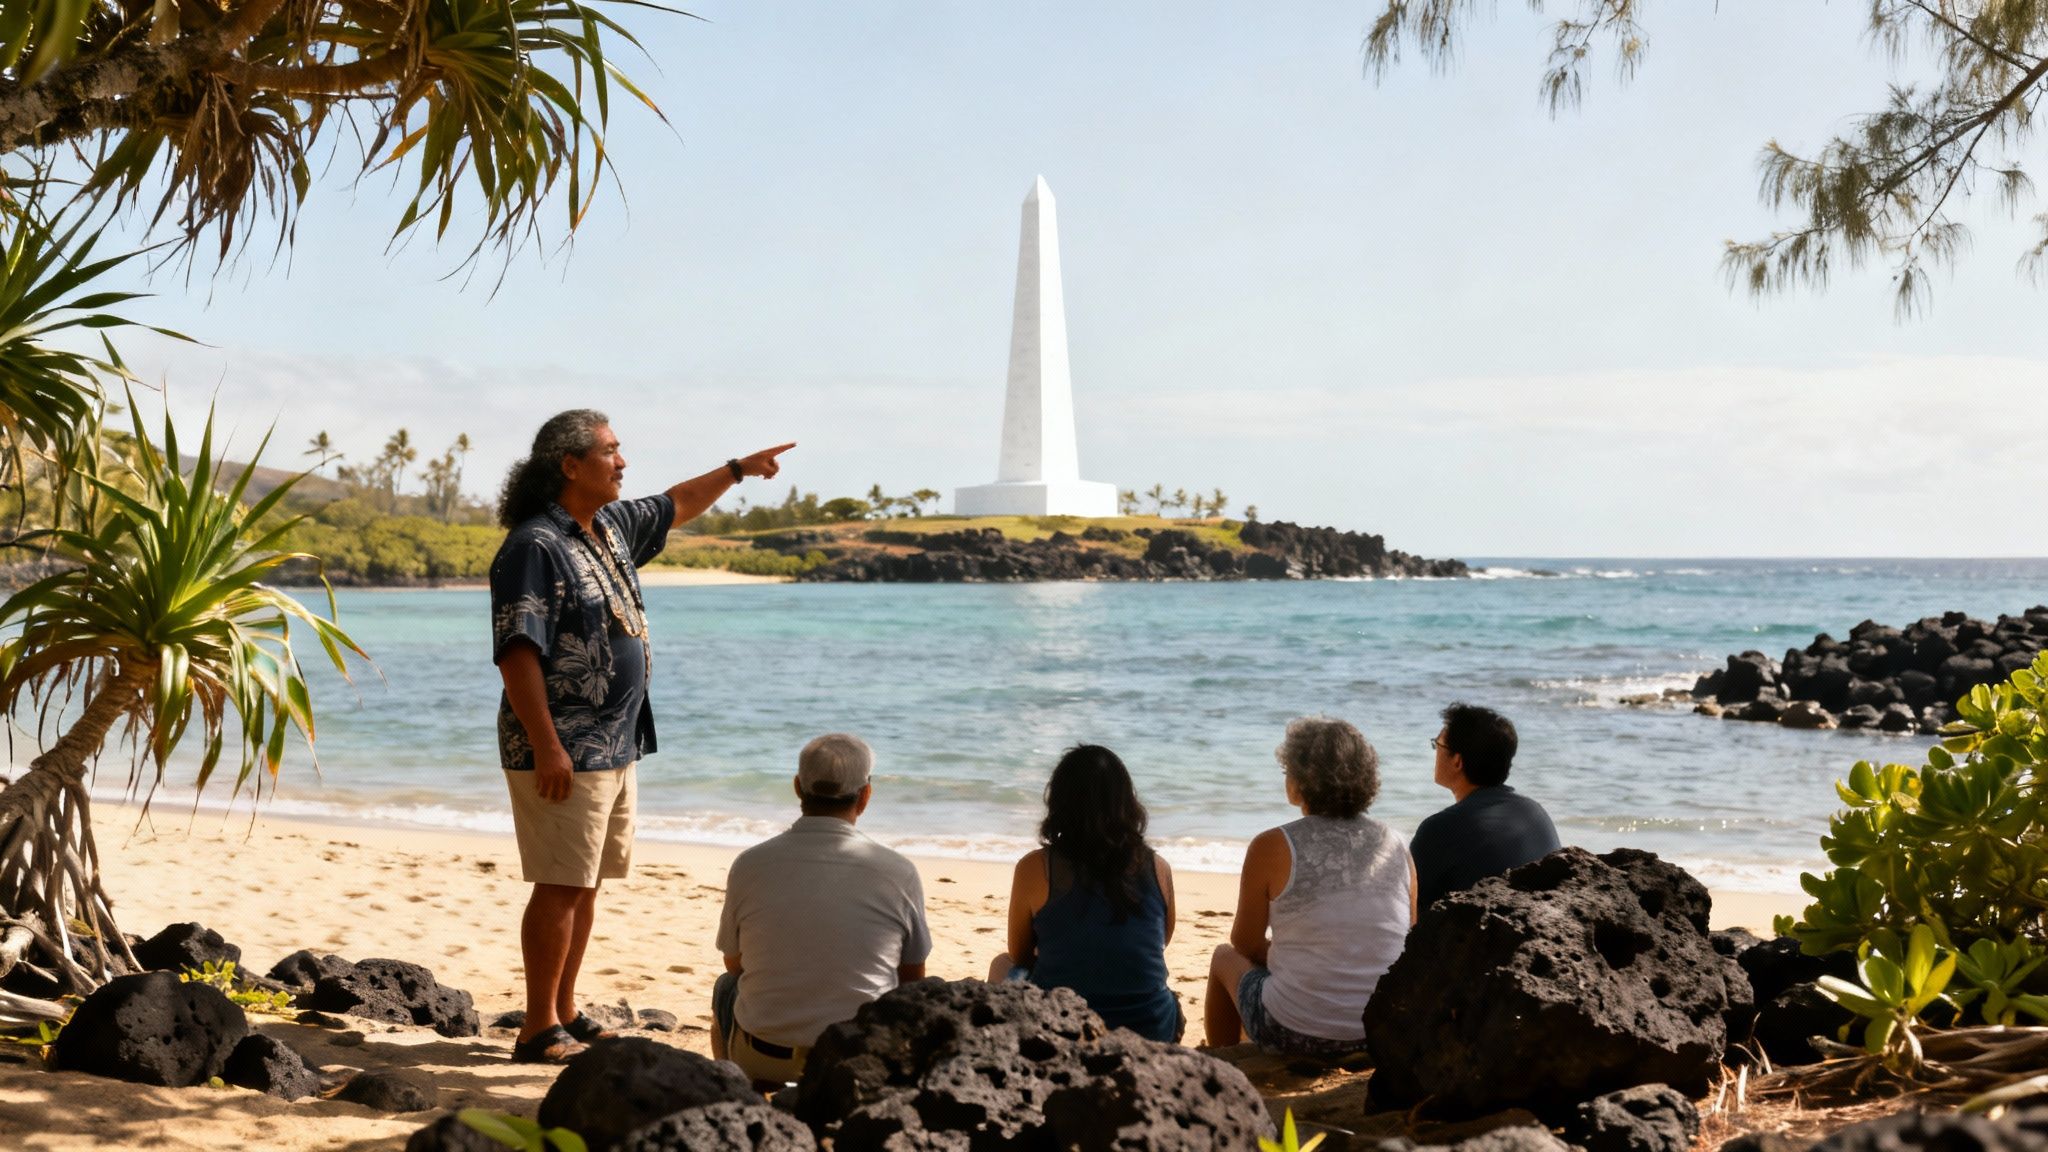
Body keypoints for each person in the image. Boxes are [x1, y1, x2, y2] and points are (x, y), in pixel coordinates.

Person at [491, 409, 792, 1064]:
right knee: (561, 883)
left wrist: (739, 470)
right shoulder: (534, 546)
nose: (622, 461)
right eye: (610, 451)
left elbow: (679, 502)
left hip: (614, 742)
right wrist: (546, 744)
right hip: (564, 744)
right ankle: (536, 1026)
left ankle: (565, 1010)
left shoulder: (611, 528)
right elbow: (518, 651)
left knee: (587, 881)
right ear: (570, 465)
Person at [713, 733, 931, 1086]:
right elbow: (912, 976)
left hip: (766, 1057)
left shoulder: (749, 864)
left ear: (798, 788)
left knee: (726, 987)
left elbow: (734, 964)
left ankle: (738, 1096)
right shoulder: (898, 871)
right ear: (865, 796)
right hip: (855, 1060)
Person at [1206, 717, 1414, 1057]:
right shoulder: (1397, 845)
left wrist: (1279, 955)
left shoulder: (1272, 845)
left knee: (1223, 958)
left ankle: (1224, 1062)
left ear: (1299, 782)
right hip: (1380, 1030)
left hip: (1294, 1030)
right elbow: (1409, 939)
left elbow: (1244, 941)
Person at [986, 745, 1181, 1042]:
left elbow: (1020, 954)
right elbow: (1159, 941)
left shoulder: (1035, 868)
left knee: (1001, 964)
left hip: (1064, 1030)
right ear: (1128, 803)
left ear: (1058, 803)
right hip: (1151, 1028)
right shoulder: (1157, 867)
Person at [1409, 703, 1561, 912]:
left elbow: (1410, 914)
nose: (1435, 751)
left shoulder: (1439, 830)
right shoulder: (1536, 813)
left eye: (1438, 745)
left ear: (1457, 761)